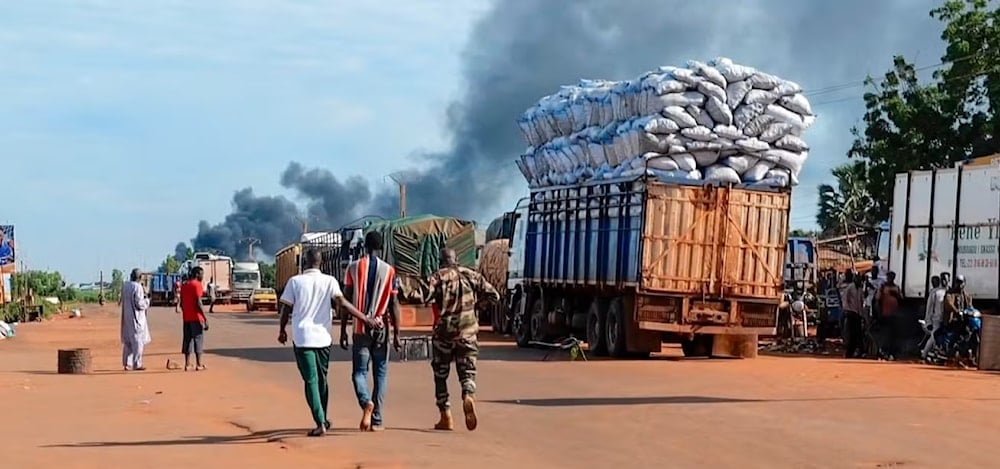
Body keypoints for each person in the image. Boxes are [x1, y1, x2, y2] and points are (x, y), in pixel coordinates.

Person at [279, 249, 369, 437]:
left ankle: (320, 421)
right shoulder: (330, 281)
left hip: (303, 338)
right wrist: (364, 318)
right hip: (323, 338)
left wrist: (282, 330)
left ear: (304, 261)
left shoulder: (295, 282)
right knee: (321, 380)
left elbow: (285, 309)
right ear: (322, 262)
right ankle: (323, 419)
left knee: (311, 380)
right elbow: (342, 303)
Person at [425, 248, 499, 431]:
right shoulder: (472, 275)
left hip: (444, 334)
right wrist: (475, 306)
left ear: (441, 261)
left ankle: (446, 416)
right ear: (456, 259)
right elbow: (494, 296)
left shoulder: (438, 277)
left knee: (440, 374)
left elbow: (422, 295)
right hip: (468, 333)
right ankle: (468, 395)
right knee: (468, 371)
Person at [340, 231, 402, 432]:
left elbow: (345, 302)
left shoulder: (353, 268)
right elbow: (394, 303)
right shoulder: (390, 271)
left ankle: (366, 401)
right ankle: (377, 420)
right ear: (381, 247)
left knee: (359, 372)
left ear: (364, 246)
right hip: (382, 328)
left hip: (360, 328)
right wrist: (397, 334)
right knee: (381, 374)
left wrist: (342, 330)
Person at [121, 268, 152, 371]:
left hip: (126, 317)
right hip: (136, 318)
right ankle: (137, 364)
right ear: (139, 277)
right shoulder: (137, 287)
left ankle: (127, 363)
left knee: (128, 342)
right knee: (138, 341)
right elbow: (139, 304)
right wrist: (147, 301)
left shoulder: (125, 286)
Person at [179, 267, 209, 371]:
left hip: (186, 318)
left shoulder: (184, 285)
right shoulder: (197, 285)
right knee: (198, 339)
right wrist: (205, 318)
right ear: (197, 274)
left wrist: (186, 312)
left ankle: (187, 364)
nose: (202, 276)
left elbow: (181, 303)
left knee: (187, 340)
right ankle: (199, 364)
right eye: (201, 274)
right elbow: (199, 302)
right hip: (196, 318)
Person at [875, 271, 902, 360]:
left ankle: (891, 352)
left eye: (892, 277)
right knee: (884, 334)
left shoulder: (896, 288)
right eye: (889, 277)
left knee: (893, 335)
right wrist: (878, 313)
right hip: (884, 314)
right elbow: (878, 300)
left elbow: (901, 299)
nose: (890, 278)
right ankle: (882, 352)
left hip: (894, 314)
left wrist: (896, 295)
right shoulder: (882, 287)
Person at [839, 271, 864, 359]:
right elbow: (845, 299)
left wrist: (861, 313)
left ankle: (857, 352)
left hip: (858, 313)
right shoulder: (850, 287)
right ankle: (849, 353)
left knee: (858, 333)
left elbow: (861, 302)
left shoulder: (860, 289)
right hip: (850, 313)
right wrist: (847, 309)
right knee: (851, 333)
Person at [922, 275, 946, 359]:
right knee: (933, 337)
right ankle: (924, 354)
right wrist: (928, 321)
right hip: (936, 319)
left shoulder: (949, 291)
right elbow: (929, 307)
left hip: (946, 319)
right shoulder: (935, 292)